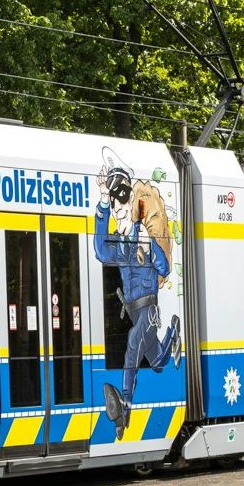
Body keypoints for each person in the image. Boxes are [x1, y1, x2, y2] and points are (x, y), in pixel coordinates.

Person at [92, 152, 181, 432]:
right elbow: (99, 251)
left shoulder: (144, 235)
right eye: (113, 209)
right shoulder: (117, 244)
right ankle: (173, 334)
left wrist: (150, 247)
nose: (117, 213)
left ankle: (125, 406)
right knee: (156, 361)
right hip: (132, 310)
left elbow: (165, 268)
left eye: (120, 206)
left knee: (133, 344)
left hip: (148, 309)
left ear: (129, 205)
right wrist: (103, 203)